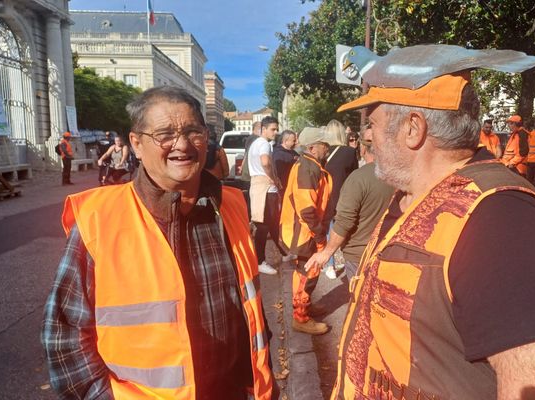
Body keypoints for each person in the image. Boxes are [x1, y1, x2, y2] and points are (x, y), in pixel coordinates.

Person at [331, 71, 535, 399]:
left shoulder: (501, 220)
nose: (368, 137)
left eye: (373, 123)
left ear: (413, 128)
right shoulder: (413, 194)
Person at [42, 86, 276, 399]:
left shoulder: (230, 204)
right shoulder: (100, 219)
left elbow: (251, 313)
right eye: (164, 133)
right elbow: (64, 336)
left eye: (193, 131)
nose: (181, 144)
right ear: (136, 144)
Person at [304, 130, 394, 281]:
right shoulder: (399, 177)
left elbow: (344, 221)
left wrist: (326, 254)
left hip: (360, 255)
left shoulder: (358, 179)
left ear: (363, 148)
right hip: (389, 251)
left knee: (360, 300)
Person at [280, 126, 332, 335]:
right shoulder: (308, 168)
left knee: (306, 271)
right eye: (323, 145)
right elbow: (306, 209)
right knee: (307, 272)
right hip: (303, 232)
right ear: (312, 147)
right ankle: (300, 318)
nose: (327, 148)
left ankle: (305, 306)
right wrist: (320, 237)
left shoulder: (309, 165)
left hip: (302, 230)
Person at [248, 116, 294, 275]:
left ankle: (284, 253)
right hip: (266, 189)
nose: (275, 132)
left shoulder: (255, 143)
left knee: (270, 224)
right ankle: (259, 261)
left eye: (276, 129)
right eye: (273, 129)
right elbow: (265, 162)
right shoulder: (264, 144)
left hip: (259, 187)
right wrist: (274, 179)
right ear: (264, 129)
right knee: (264, 226)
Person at [322, 119, 358, 278]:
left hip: (324, 196)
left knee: (329, 230)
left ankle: (330, 266)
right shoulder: (349, 153)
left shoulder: (323, 152)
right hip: (343, 196)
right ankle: (351, 261)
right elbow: (354, 176)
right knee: (345, 229)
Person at [272, 129, 299, 195]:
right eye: (294, 141)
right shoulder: (278, 154)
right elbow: (277, 173)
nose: (296, 142)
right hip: (284, 188)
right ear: (285, 141)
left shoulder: (293, 152)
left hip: (293, 186)